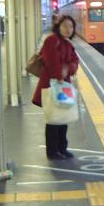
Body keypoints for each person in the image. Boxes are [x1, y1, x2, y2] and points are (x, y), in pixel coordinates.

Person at [32, 15, 79, 160]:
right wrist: (60, 74)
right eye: (64, 26)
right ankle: (52, 151)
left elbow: (75, 61)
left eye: (71, 26)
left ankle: (62, 149)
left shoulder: (67, 43)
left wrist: (68, 69)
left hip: (63, 86)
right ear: (58, 27)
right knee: (53, 119)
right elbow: (50, 61)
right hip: (51, 85)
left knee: (63, 118)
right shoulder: (52, 40)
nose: (68, 29)